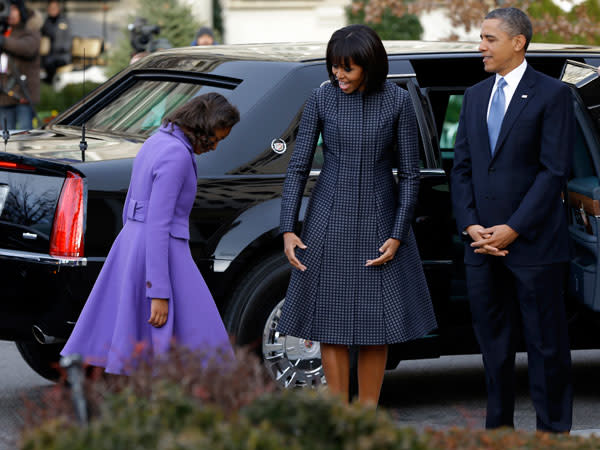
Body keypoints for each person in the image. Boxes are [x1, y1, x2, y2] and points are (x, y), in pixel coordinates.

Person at [278, 24, 437, 405]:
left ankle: (366, 414)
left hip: (381, 219)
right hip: (327, 218)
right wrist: (288, 228)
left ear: (369, 65)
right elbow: (298, 167)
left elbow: (410, 174)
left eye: (347, 68)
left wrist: (398, 233)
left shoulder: (398, 101)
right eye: (334, 66)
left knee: (375, 326)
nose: (338, 75)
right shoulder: (321, 99)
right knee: (329, 325)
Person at [451, 7, 573, 432]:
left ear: (518, 42)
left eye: (489, 38)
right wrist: (471, 226)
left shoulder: (553, 94)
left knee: (546, 346)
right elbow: (462, 167)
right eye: (481, 38)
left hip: (535, 244)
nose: (480, 46)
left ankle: (552, 433)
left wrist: (513, 228)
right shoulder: (474, 95)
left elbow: (553, 171)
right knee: (493, 348)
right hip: (482, 246)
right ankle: (498, 433)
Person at [61, 93, 240, 374]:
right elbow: (159, 223)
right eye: (215, 139)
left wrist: (133, 246)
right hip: (162, 249)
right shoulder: (178, 155)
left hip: (132, 243)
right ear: (204, 127)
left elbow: (133, 203)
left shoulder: (157, 140)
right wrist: (158, 292)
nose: (215, 147)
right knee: (201, 338)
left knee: (147, 340)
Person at [0, 0, 41, 130]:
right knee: (4, 139)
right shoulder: (4, 32)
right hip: (3, 96)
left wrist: (3, 41)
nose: (10, 13)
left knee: (25, 139)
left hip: (23, 95)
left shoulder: (30, 31)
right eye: (8, 9)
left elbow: (27, 48)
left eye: (14, 9)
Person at [41, 0, 71, 84]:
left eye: (54, 8)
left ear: (58, 9)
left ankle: (50, 83)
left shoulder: (63, 21)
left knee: (50, 64)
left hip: (62, 55)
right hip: (49, 55)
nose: (51, 10)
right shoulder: (47, 21)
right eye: (50, 8)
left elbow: (65, 39)